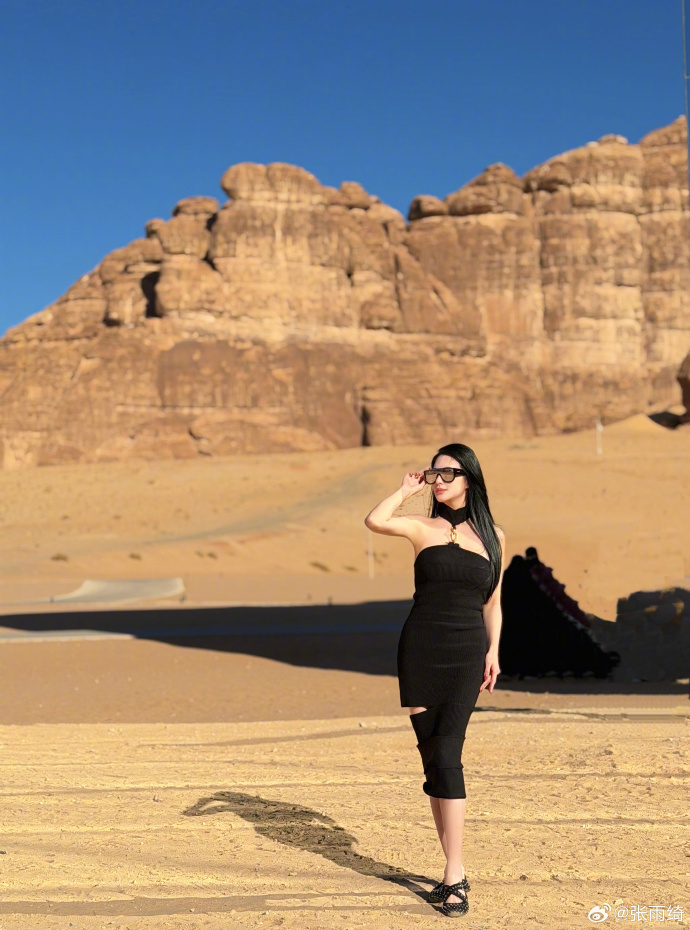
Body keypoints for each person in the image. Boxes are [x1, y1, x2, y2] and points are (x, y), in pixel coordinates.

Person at [364, 443, 504, 917]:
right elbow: (374, 521)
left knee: (448, 752)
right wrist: (404, 491)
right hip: (421, 649)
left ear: (471, 479)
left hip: (467, 653)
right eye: (433, 472)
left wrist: (494, 650)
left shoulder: (493, 535)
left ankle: (455, 873)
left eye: (449, 472)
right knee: (432, 760)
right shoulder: (421, 527)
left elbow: (492, 604)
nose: (439, 479)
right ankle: (452, 866)